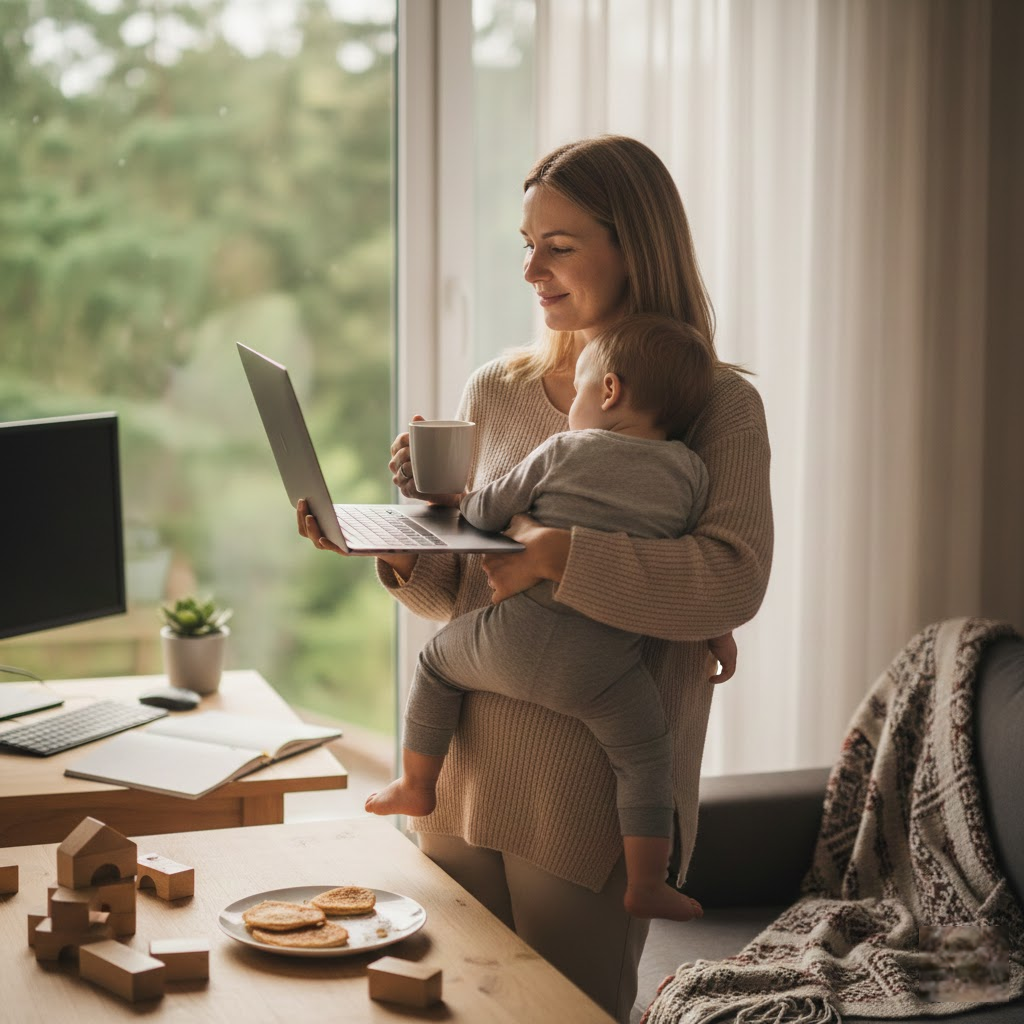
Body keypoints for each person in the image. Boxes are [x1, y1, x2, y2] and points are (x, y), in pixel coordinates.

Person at [297, 134, 773, 1023]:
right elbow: (465, 594)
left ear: (636, 248)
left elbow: (730, 579)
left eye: (558, 247)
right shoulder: (498, 387)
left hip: (590, 798)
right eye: (526, 244)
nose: (531, 271)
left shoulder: (717, 403)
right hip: (461, 771)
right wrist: (401, 546)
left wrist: (564, 554)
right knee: (435, 1009)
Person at [366, 314, 723, 923]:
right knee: (644, 756)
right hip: (605, 662)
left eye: (556, 246)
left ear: (608, 391)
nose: (534, 267)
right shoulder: (692, 473)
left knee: (435, 663)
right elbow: (684, 562)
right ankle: (647, 881)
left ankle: (415, 784)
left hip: (516, 636)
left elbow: (483, 511)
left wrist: (450, 503)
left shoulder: (563, 447)